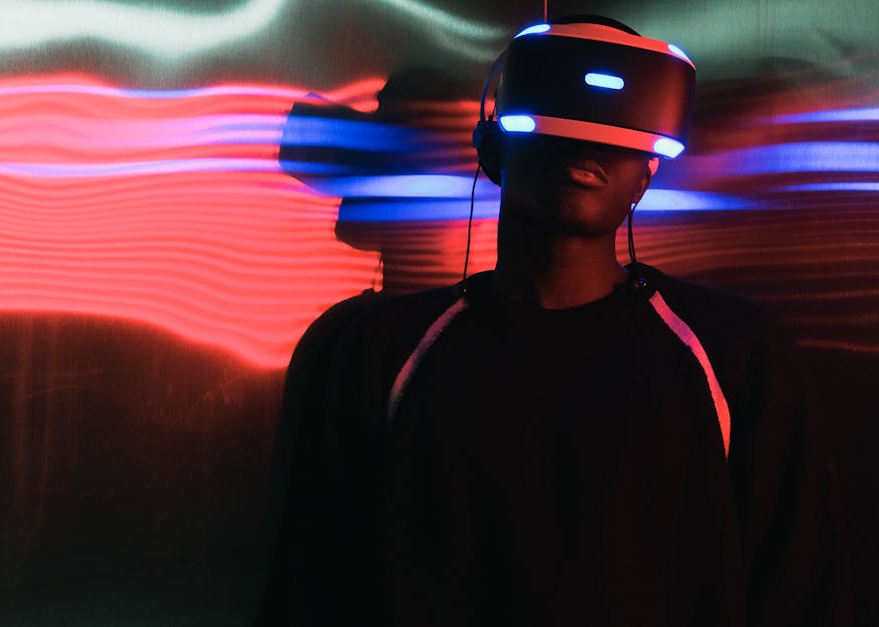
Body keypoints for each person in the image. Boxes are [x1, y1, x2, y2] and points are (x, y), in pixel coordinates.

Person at [255, 15, 852, 627]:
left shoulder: (736, 355)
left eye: (621, 125)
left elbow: (800, 589)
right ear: (492, 148)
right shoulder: (377, 352)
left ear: (648, 170)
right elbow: (316, 584)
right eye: (557, 112)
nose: (586, 144)